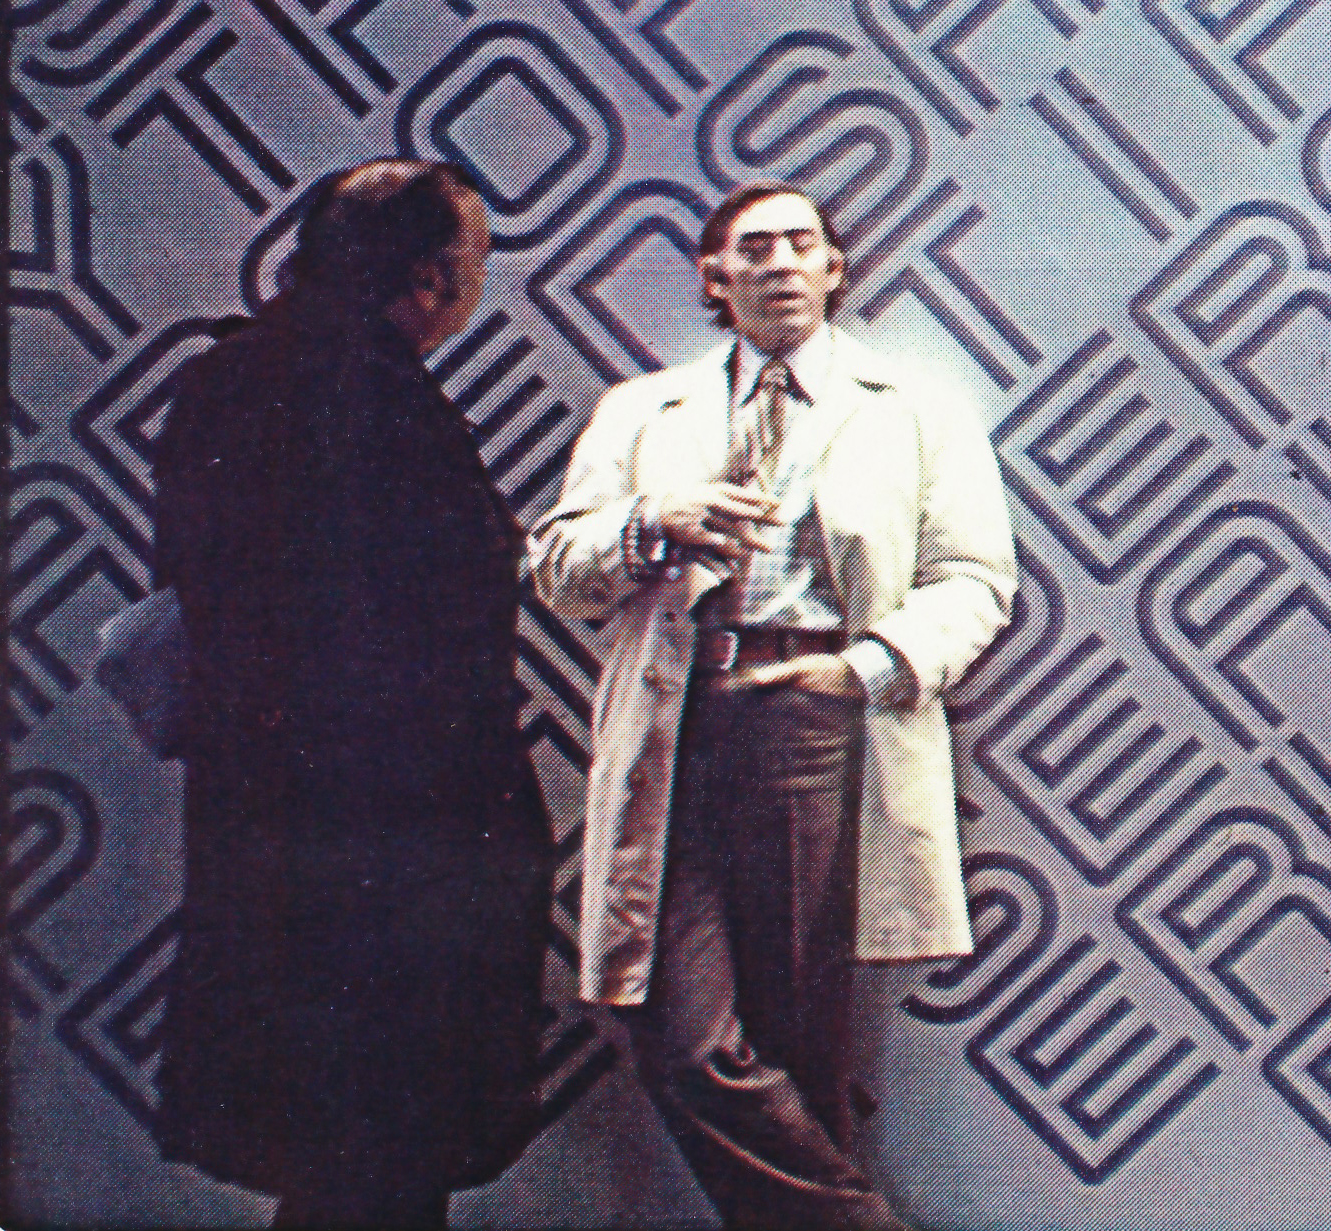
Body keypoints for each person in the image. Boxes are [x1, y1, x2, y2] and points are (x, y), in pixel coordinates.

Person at [528, 181, 1016, 1230]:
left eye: (805, 243)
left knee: (806, 1036)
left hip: (822, 716)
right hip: (681, 712)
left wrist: (863, 670)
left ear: (836, 269)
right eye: (755, 248)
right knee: (675, 1026)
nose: (783, 262)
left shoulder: (914, 409)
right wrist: (649, 524)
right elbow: (559, 571)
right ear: (716, 276)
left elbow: (977, 580)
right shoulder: (641, 410)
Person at [153, 160, 553, 1229]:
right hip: (391, 856)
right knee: (383, 1156)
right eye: (472, 262)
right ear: (430, 277)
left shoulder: (221, 377)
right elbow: (422, 638)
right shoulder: (379, 396)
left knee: (331, 1162)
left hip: (264, 826)